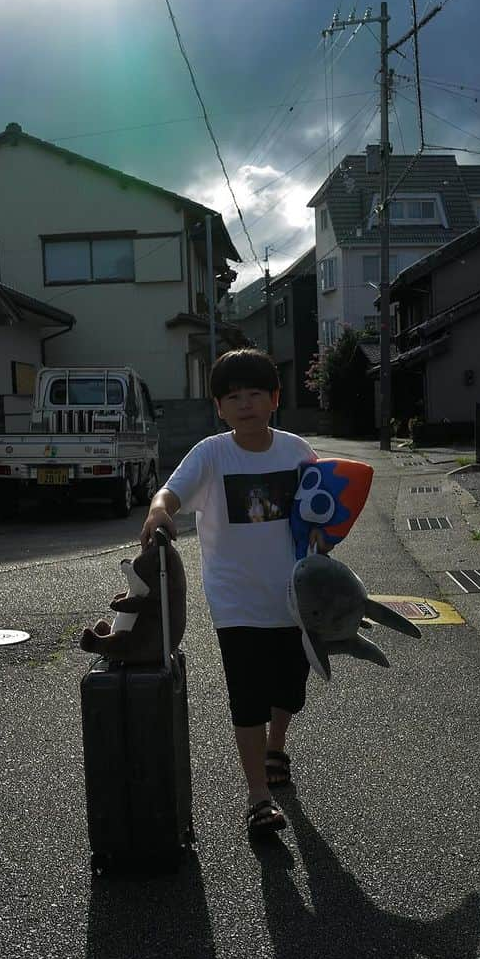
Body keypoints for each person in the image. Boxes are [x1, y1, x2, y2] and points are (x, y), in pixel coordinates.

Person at [139, 347, 324, 836]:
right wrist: (159, 512)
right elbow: (169, 493)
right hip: (235, 600)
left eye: (255, 394)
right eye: (233, 397)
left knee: (290, 689)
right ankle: (258, 796)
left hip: (292, 596)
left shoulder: (298, 451)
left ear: (275, 398)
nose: (245, 404)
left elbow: (326, 510)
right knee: (246, 695)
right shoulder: (212, 453)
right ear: (219, 406)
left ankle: (276, 743)